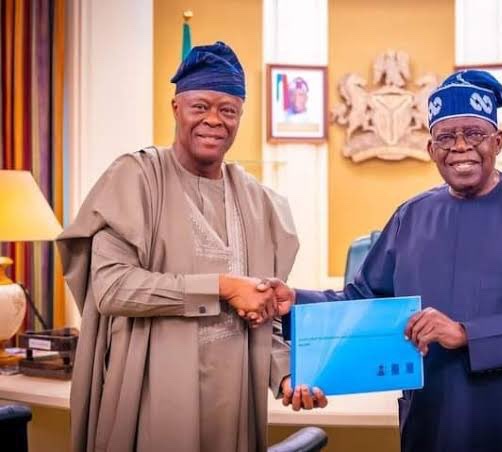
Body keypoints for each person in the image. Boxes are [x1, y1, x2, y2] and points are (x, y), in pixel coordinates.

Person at [269, 70, 502, 451]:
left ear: (498, 142)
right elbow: (363, 299)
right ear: (432, 149)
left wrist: (465, 334)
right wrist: (295, 301)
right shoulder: (411, 216)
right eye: (446, 137)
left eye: (474, 134)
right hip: (431, 416)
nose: (460, 147)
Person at [57, 42, 326, 452]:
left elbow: (265, 317)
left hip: (234, 406)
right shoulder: (135, 178)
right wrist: (222, 287)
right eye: (200, 106)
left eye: (228, 110)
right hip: (151, 398)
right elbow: (111, 288)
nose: (214, 120)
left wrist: (286, 375)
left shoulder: (262, 204)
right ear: (176, 108)